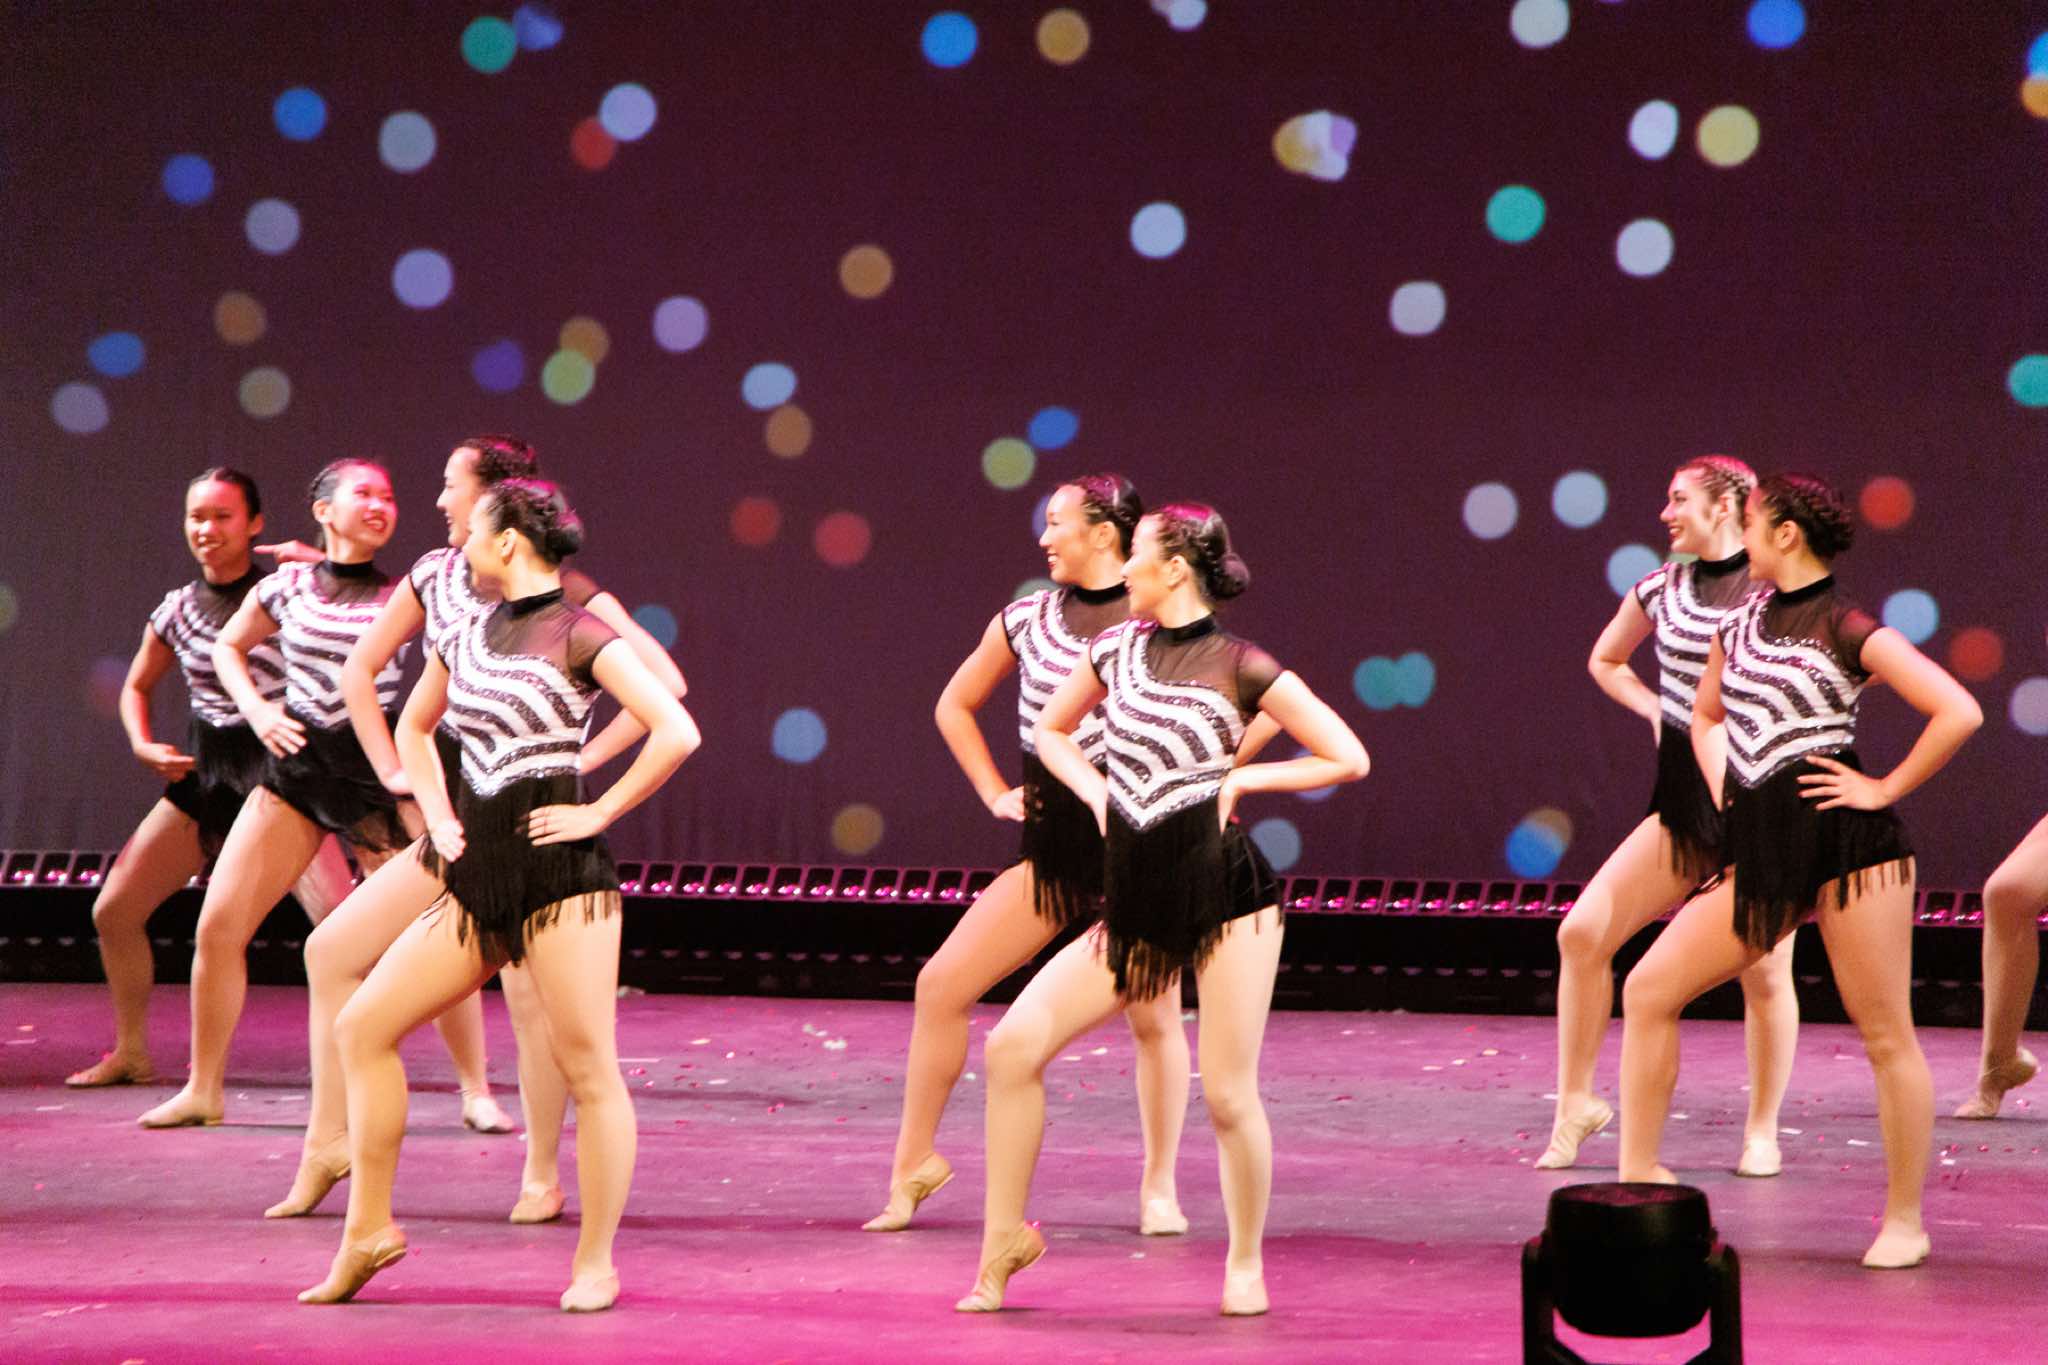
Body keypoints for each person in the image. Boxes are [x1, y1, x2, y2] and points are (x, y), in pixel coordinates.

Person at [299, 479, 699, 1312]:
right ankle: (367, 1229)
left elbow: (676, 727)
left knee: (589, 1068)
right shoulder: (468, 633)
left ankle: (595, 1261)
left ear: (509, 539)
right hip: (475, 876)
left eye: (473, 528)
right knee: (362, 1026)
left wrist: (598, 809)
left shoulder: (581, 633)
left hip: (560, 882)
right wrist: (439, 814)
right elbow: (414, 726)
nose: (461, 543)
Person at [959, 503, 1368, 1316]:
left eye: (1137, 553)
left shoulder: (1244, 664)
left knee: (1228, 1093)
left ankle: (1245, 1262)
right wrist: (1096, 793)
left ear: (1174, 568)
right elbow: (1051, 732)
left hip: (1228, 899)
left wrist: (1243, 778)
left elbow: (1348, 755)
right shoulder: (1114, 649)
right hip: (1140, 896)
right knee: (1011, 1047)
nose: (1124, 569)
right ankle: (1002, 1240)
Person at [869, 476, 1266, 1236]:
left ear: (1104, 534)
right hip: (1057, 850)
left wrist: (1208, 782)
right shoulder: (1027, 619)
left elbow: (1241, 703)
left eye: (1057, 523)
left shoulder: (1157, 622)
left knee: (1154, 1017)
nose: (1044, 537)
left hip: (1142, 853)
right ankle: (912, 1162)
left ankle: (1158, 1186)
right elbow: (955, 703)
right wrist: (993, 789)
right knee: (941, 984)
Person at [1617, 473, 1981, 1269]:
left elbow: (1959, 708)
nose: (1741, 536)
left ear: (1786, 534)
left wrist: (1882, 787)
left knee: (1885, 1034)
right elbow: (1705, 714)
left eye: (1751, 522)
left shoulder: (1849, 626)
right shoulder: (1739, 621)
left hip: (1851, 848)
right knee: (1647, 988)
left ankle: (1905, 1219)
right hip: (1765, 846)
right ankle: (1638, 1172)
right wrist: (1727, 784)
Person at [138, 459, 507, 1129]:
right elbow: (228, 648)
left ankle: (475, 1090)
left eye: (388, 495)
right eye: (363, 494)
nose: (380, 505)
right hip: (299, 772)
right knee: (218, 927)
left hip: (376, 772)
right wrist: (259, 711)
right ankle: (203, 1088)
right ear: (323, 510)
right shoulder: (287, 587)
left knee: (435, 931)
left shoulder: (405, 590)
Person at [1542, 456, 1797, 1176]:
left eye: (1679, 498)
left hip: (1758, 801)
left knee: (1765, 973)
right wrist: (1658, 709)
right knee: (1582, 933)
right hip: (1685, 801)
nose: (1666, 512)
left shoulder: (1775, 590)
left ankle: (1762, 1128)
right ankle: (1575, 1102)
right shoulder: (1661, 588)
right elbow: (1606, 659)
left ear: (1727, 506)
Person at [67, 469, 351, 1089]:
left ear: (254, 524)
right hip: (209, 778)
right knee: (114, 911)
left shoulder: (284, 592)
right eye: (197, 516)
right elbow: (137, 686)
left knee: (342, 925)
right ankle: (132, 1051)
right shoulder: (177, 609)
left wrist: (323, 565)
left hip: (282, 779)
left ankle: (361, 1057)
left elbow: (364, 602)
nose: (207, 529)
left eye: (223, 516)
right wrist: (142, 742)